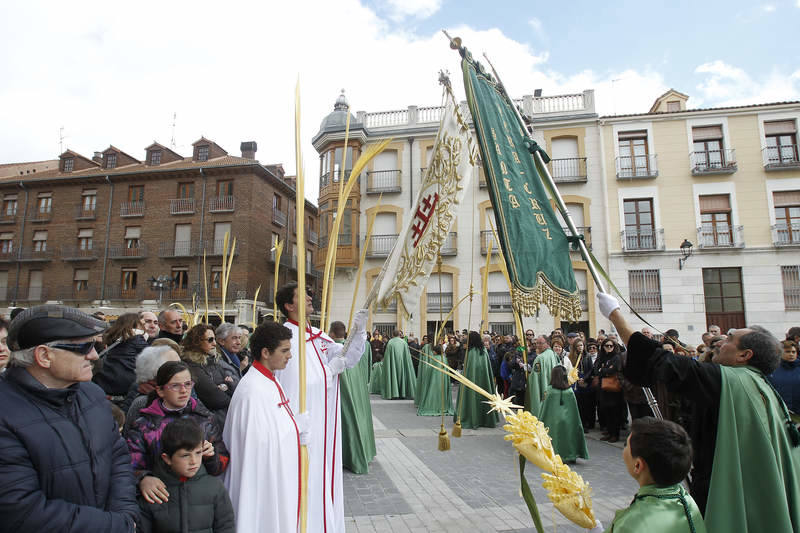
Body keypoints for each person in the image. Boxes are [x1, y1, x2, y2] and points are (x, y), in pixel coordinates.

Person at [598, 292, 800, 531]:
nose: (721, 341)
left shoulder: (728, 380)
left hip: (723, 488)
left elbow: (660, 361)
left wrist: (615, 315)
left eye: (729, 339)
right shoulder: (758, 384)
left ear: (744, 356)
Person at [0, 305, 138, 531]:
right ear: (44, 355)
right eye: (84, 347)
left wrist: (126, 513)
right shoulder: (5, 413)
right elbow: (21, 510)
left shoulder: (91, 393)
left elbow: (117, 455)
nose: (94, 355)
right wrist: (114, 526)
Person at [274, 282, 367, 533]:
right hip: (305, 423)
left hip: (326, 421)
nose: (309, 298)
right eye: (302, 296)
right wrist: (330, 371)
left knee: (324, 477)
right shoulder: (284, 339)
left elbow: (348, 357)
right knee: (308, 479)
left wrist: (358, 331)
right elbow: (297, 386)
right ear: (289, 306)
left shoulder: (318, 334)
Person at [223, 320, 308, 532]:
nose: (290, 356)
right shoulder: (252, 391)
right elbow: (256, 446)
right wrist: (295, 429)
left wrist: (293, 425)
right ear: (265, 352)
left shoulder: (270, 380)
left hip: (274, 476)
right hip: (260, 483)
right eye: (285, 350)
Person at [126, 360, 229, 505]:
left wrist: (211, 456)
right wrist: (143, 478)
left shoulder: (205, 418)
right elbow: (130, 467)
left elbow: (221, 464)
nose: (184, 390)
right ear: (160, 390)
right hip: (163, 501)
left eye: (188, 384)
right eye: (175, 386)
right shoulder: (144, 426)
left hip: (201, 501)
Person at [603, 417, 706, 532]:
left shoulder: (630, 524)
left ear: (638, 465)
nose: (624, 449)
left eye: (626, 445)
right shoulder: (688, 502)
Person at [138, 418, 234, 533]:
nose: (193, 461)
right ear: (167, 458)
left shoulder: (215, 488)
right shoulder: (153, 491)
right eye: (185, 455)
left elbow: (226, 527)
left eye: (198, 453)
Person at [329, 320, 376, 474]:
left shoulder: (334, 350)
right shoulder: (353, 350)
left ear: (332, 333)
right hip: (358, 393)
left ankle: (348, 455)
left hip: (343, 393)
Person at [122, 344, 182, 431]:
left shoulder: (183, 391)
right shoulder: (144, 402)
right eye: (175, 366)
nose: (184, 369)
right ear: (156, 372)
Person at [93, 312, 150, 405]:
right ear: (134, 325)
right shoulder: (137, 338)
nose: (146, 328)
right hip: (126, 389)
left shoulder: (113, 339)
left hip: (105, 387)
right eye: (143, 324)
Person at [181, 324, 235, 417]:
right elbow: (217, 399)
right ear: (196, 342)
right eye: (210, 340)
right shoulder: (192, 365)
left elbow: (234, 386)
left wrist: (228, 386)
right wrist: (228, 387)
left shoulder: (213, 361)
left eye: (214, 339)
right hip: (213, 419)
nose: (214, 343)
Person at [539, 366, 588, 463]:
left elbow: (544, 410)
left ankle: (553, 454)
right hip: (569, 421)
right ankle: (571, 454)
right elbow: (575, 412)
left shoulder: (549, 391)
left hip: (552, 422)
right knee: (569, 433)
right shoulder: (570, 391)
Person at [454, 331, 499, 429]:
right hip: (483, 381)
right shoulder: (483, 350)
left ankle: (471, 417)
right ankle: (485, 419)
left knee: (472, 396)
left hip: (472, 381)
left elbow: (469, 368)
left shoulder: (471, 352)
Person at [594, 339, 625, 443]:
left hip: (614, 389)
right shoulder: (601, 357)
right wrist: (604, 370)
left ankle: (615, 434)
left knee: (614, 412)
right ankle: (609, 432)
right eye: (606, 346)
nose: (608, 348)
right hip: (603, 388)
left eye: (610, 346)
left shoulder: (616, 357)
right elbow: (596, 370)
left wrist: (603, 370)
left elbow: (613, 370)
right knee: (606, 411)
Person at [417, 340, 454, 416]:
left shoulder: (434, 359)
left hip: (434, 381)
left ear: (436, 351)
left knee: (433, 394)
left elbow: (430, 370)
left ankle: (432, 406)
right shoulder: (444, 359)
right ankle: (443, 407)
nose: (432, 352)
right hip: (443, 381)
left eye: (433, 351)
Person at [526, 335, 560, 416]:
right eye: (536, 343)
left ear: (547, 343)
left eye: (540, 343)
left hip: (543, 390)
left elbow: (535, 380)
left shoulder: (540, 358)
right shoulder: (553, 354)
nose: (538, 345)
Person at [380, 329, 416, 399]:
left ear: (392, 335)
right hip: (402, 363)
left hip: (392, 363)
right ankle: (403, 393)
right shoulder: (404, 342)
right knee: (403, 375)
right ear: (399, 335)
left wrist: (386, 363)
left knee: (393, 375)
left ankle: (394, 393)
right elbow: (407, 355)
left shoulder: (390, 342)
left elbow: (387, 356)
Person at [768, 340, 800, 414]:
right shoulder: (771, 370)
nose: (791, 354)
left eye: (793, 352)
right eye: (787, 352)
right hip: (779, 412)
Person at [576, 340, 599, 431]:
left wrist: (584, 379)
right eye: (578, 346)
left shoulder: (588, 356)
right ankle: (582, 422)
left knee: (588, 404)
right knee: (580, 404)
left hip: (586, 381)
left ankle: (590, 423)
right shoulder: (573, 356)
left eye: (581, 345)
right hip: (577, 381)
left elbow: (591, 370)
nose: (580, 347)